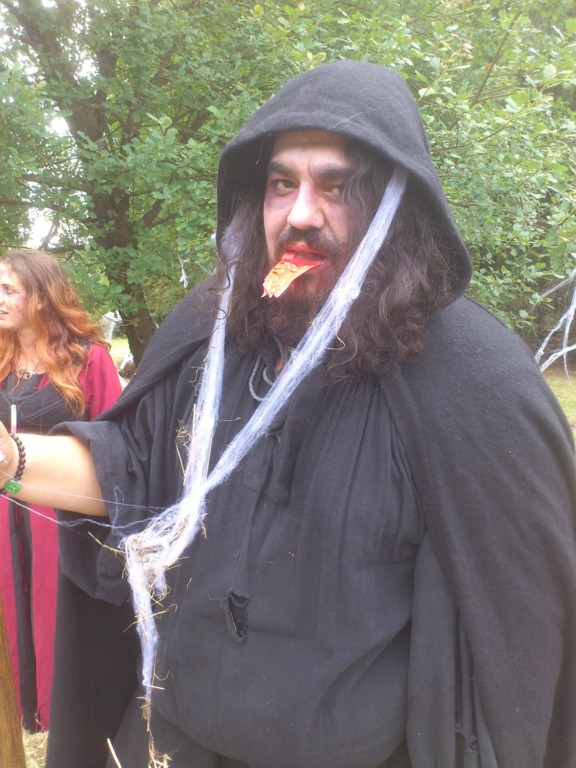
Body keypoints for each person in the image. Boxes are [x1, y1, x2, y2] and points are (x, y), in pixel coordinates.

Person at [0, 61, 574, 768]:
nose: (301, 213)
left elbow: (523, 637)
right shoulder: (214, 331)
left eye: (337, 186)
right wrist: (11, 459)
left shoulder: (472, 379)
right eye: (281, 184)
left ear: (396, 207)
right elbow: (132, 471)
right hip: (177, 743)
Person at [0, 248, 122, 731]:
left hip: (62, 515)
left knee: (57, 609)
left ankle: (62, 712)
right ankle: (19, 708)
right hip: (4, 513)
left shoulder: (88, 359)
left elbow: (118, 445)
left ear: (41, 295)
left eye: (8, 290)